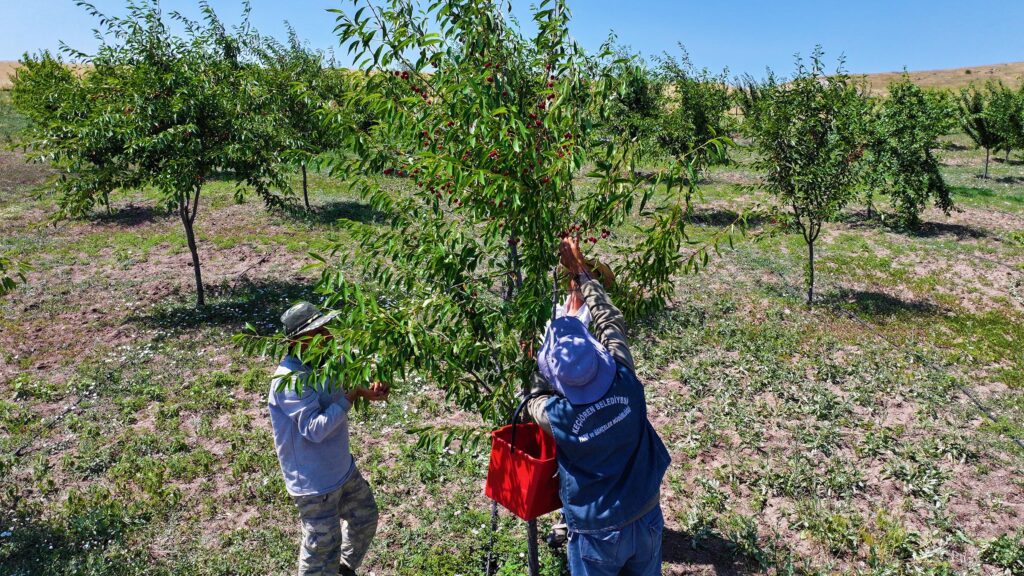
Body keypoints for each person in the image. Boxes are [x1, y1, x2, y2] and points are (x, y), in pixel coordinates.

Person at [524, 237, 671, 575]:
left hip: (596, 533)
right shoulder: (625, 380)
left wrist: (535, 361)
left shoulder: (559, 415)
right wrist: (581, 273)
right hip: (646, 512)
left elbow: (532, 400)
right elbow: (610, 323)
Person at [268, 301, 390, 576]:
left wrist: (376, 377)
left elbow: (364, 361)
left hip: (342, 470)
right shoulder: (288, 380)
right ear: (297, 341)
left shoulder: (328, 360)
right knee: (320, 550)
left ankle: (343, 571)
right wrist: (352, 396)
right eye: (317, 332)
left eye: (325, 328)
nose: (327, 336)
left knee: (365, 518)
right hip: (314, 485)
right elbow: (314, 429)